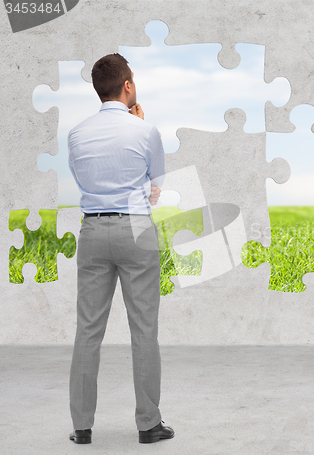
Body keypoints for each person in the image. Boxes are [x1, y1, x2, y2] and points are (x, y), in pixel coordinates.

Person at [67, 53, 174, 444]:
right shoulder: (145, 131)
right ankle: (148, 425)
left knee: (87, 331)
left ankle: (82, 427)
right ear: (127, 86)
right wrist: (139, 126)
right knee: (144, 329)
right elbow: (155, 187)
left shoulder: (76, 134)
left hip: (93, 233)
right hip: (136, 231)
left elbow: (82, 178)